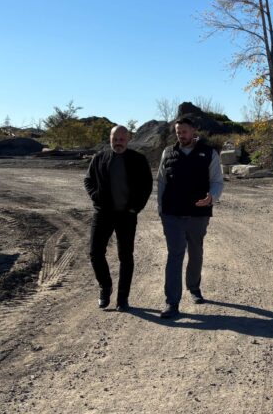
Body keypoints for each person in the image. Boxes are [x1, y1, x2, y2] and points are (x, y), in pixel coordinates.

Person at [157, 115, 224, 319]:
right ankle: (172, 302)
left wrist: (212, 196)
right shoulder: (168, 153)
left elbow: (217, 181)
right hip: (172, 215)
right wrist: (160, 208)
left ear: (194, 131)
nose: (181, 135)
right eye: (178, 132)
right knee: (175, 255)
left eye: (184, 131)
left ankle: (194, 288)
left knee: (195, 252)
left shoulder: (209, 153)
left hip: (198, 214)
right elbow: (161, 181)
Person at [83, 125, 153, 312]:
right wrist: (96, 196)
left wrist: (135, 208)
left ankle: (123, 298)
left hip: (127, 216)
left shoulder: (138, 159)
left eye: (122, 139)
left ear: (128, 139)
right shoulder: (100, 158)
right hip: (103, 213)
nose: (118, 142)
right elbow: (88, 180)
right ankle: (105, 286)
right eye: (115, 139)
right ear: (110, 138)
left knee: (125, 257)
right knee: (95, 253)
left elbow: (147, 185)